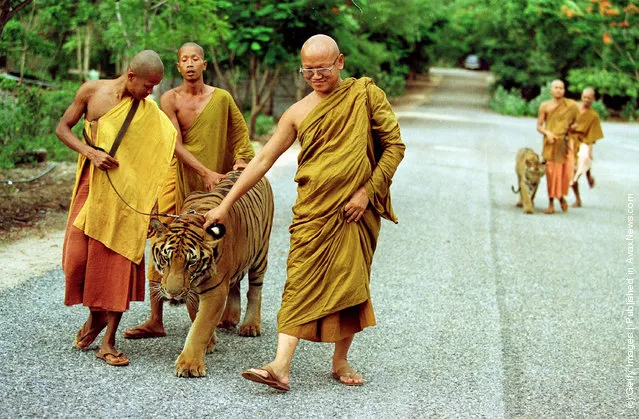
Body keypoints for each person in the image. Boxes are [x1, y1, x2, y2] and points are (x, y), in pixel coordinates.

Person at [203, 34, 405, 391]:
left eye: (322, 68)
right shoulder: (296, 112)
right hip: (313, 211)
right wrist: (225, 203)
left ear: (340, 62)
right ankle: (280, 366)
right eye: (307, 70)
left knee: (350, 283)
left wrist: (367, 192)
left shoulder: (365, 95)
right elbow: (262, 159)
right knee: (297, 281)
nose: (315, 75)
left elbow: (394, 147)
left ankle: (340, 360)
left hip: (355, 212)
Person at [123, 42, 254, 340]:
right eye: (185, 59)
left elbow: (239, 134)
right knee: (166, 243)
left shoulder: (221, 98)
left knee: (209, 244)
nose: (191, 64)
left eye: (196, 58)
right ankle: (156, 319)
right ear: (178, 66)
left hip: (216, 181)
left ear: (205, 64)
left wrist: (240, 162)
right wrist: (203, 172)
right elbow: (175, 144)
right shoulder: (169, 99)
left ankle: (207, 314)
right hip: (179, 176)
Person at [55, 50, 177, 366]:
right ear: (131, 75)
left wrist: (152, 206)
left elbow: (153, 161)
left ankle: (108, 342)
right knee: (78, 260)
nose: (151, 93)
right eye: (148, 86)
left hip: (128, 197)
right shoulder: (91, 92)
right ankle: (95, 318)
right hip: (91, 184)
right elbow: (63, 129)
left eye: (155, 87)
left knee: (116, 263)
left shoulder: (148, 114)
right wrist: (91, 153)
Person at [537, 79, 579, 214]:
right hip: (551, 142)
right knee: (551, 173)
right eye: (556, 87)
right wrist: (547, 132)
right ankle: (551, 203)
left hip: (566, 142)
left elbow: (577, 123)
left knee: (566, 173)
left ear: (564, 90)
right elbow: (539, 126)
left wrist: (572, 127)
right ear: (551, 90)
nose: (559, 90)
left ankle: (561, 196)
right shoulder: (545, 106)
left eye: (561, 88)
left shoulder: (572, 105)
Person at [570, 87, 604, 207]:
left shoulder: (594, 116)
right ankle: (578, 198)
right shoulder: (573, 108)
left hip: (583, 140)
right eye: (585, 97)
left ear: (593, 99)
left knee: (584, 158)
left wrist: (590, 151)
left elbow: (592, 136)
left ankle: (586, 176)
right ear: (581, 97)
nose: (587, 100)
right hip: (570, 138)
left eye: (589, 98)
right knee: (571, 167)